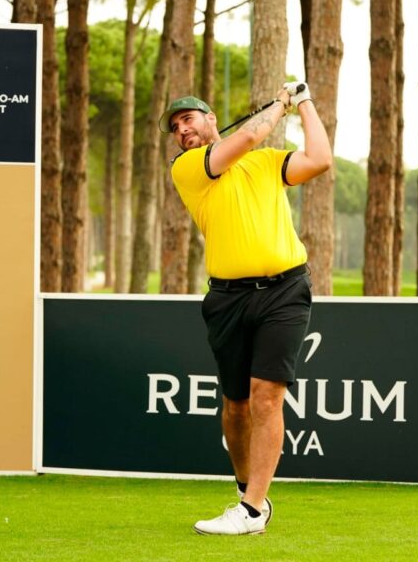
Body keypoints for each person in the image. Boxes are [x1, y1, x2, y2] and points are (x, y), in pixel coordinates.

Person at [161, 82, 332, 535]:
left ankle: (253, 510)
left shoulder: (265, 163)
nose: (181, 130)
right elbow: (250, 135)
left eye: (188, 120)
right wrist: (280, 104)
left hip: (285, 290)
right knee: (235, 406)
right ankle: (245, 491)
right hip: (228, 298)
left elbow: (319, 159)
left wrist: (305, 102)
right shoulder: (187, 167)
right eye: (175, 127)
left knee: (266, 396)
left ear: (211, 118)